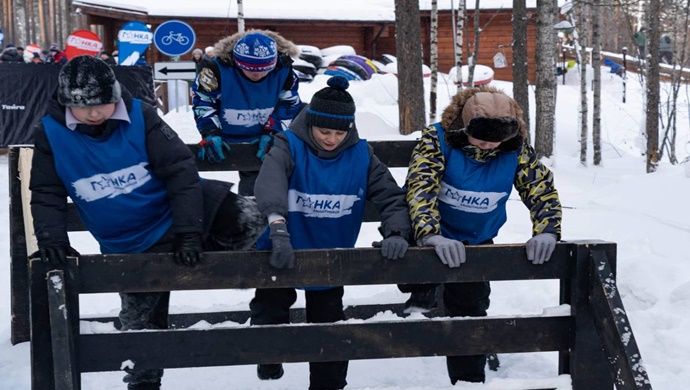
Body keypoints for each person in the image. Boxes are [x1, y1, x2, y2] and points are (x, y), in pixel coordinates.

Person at [29, 55, 265, 390]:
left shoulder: (141, 115)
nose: (94, 114)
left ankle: (271, 315)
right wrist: (51, 239)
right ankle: (144, 383)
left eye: (102, 104)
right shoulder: (50, 134)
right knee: (140, 328)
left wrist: (188, 233)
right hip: (130, 242)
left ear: (114, 94)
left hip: (178, 215)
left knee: (255, 220)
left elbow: (181, 172)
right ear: (67, 103)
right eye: (83, 108)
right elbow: (46, 192)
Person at [249, 76, 411, 389]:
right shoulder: (288, 145)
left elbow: (391, 197)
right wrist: (277, 225)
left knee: (328, 326)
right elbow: (270, 182)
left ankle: (329, 385)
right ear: (311, 124)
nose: (332, 139)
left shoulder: (362, 155)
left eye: (340, 132)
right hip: (282, 246)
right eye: (325, 131)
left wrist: (396, 232)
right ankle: (269, 352)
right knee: (270, 305)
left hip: (329, 253)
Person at [402, 85, 562, 384]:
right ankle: (421, 291)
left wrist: (548, 230)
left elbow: (540, 190)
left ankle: (469, 378)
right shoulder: (437, 140)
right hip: (430, 235)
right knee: (416, 273)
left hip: (476, 238)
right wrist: (429, 234)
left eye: (496, 140)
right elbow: (421, 187)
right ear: (463, 126)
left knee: (471, 306)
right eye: (482, 138)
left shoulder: (514, 149)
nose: (489, 146)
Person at [191, 29, 302, 196]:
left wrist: (274, 132)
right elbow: (204, 102)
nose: (256, 73)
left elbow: (288, 105)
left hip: (263, 138)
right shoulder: (216, 71)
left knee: (263, 187)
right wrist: (210, 131)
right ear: (237, 62)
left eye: (263, 69)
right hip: (228, 137)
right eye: (249, 69)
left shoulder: (284, 72)